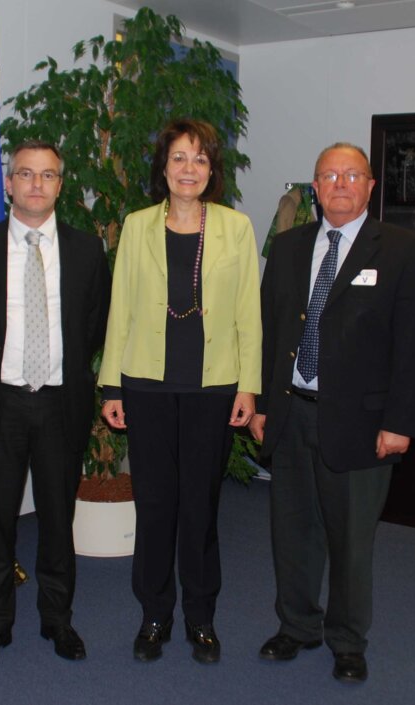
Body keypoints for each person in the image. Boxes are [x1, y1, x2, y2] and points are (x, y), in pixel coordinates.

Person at [250, 143, 415, 684]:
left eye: (351, 174)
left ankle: (348, 641)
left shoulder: (400, 250)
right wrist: (262, 405)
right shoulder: (286, 248)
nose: (339, 184)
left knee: (351, 540)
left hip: (362, 423)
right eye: (328, 175)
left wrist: (400, 422)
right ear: (314, 188)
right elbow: (268, 333)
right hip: (290, 415)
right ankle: (297, 626)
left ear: (371, 186)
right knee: (292, 531)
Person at [98, 119, 261, 664]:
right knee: (155, 505)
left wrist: (250, 387)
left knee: (200, 506)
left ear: (211, 170)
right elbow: (120, 307)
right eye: (178, 158)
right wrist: (111, 385)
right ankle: (153, 615)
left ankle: (201, 617)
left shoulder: (236, 228)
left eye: (199, 159)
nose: (188, 169)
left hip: (212, 387)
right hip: (146, 385)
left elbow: (248, 315)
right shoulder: (138, 224)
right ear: (163, 168)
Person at [0, 140, 110, 670]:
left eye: (48, 175)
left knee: (59, 523)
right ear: (10, 183)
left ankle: (57, 621)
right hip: (1, 405)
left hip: (61, 404)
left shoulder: (87, 251)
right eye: (26, 174)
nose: (37, 184)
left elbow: (92, 327)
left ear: (61, 184)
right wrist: (0, 376)